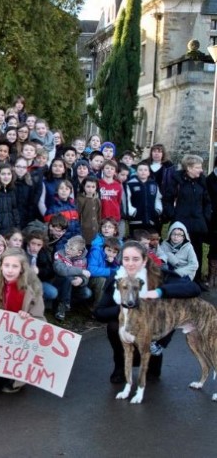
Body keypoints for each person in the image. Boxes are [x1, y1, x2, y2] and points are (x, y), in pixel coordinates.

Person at [93, 241, 200, 383]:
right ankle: (121, 365)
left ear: (144, 260)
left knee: (165, 312)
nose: (131, 264)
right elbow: (99, 313)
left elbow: (193, 288)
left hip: (154, 326)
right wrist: (126, 307)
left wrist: (159, 291)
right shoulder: (117, 279)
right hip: (128, 326)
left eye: (136, 259)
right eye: (126, 259)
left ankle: (154, 356)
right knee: (113, 326)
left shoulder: (160, 274)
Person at [0, 248, 44, 392]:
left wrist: (29, 319)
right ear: (1, 266)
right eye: (6, 265)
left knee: (7, 383)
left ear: (22, 268)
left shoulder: (32, 289)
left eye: (15, 266)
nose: (10, 270)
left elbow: (40, 320)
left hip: (20, 341)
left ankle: (13, 377)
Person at [162, 154, 211, 284]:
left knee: (197, 251)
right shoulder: (177, 180)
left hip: (198, 222)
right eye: (198, 167)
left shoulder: (202, 181)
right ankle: (179, 279)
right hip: (181, 222)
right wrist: (173, 214)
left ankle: (197, 280)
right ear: (188, 168)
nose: (201, 170)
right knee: (180, 251)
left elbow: (207, 201)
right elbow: (167, 199)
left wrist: (206, 217)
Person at [52, 235, 92, 321]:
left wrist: (81, 280)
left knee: (87, 293)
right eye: (67, 246)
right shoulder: (59, 254)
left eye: (72, 249)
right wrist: (80, 271)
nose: (67, 250)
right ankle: (62, 305)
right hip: (59, 284)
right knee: (68, 278)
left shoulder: (83, 260)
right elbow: (61, 270)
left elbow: (86, 276)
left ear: (79, 253)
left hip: (74, 286)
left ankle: (70, 303)